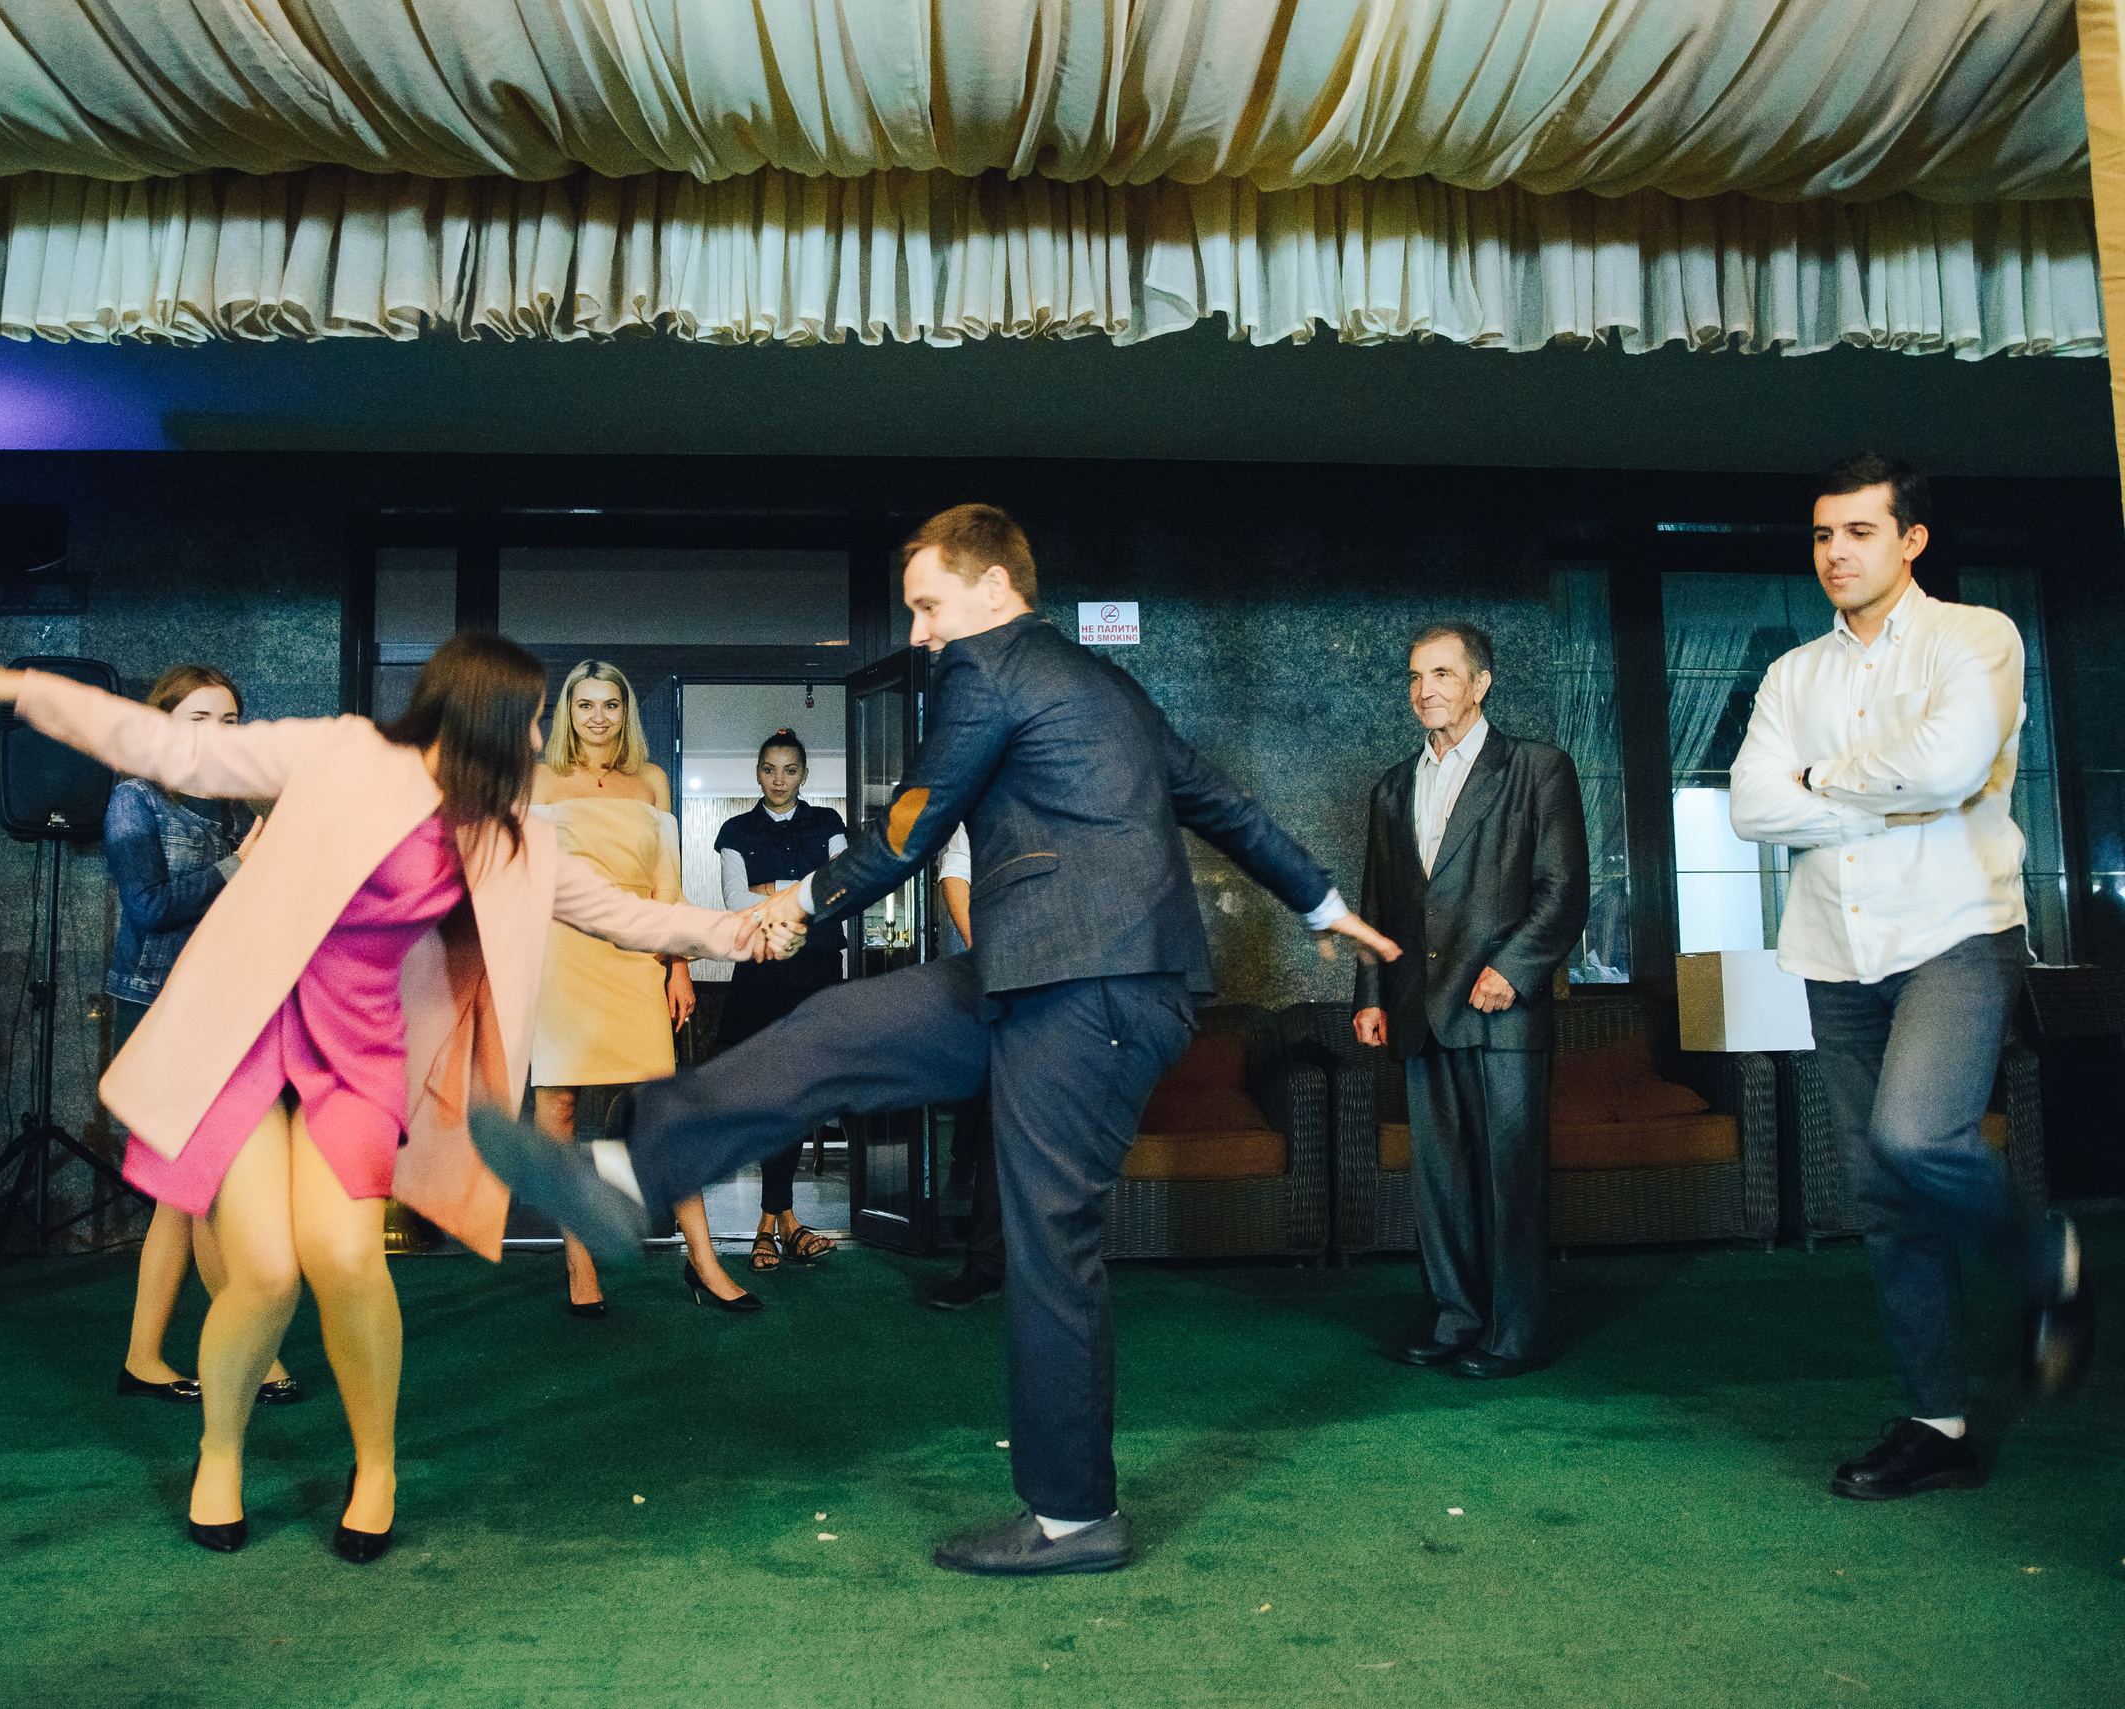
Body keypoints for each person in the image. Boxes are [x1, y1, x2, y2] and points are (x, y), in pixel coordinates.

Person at [472, 504, 1400, 1576]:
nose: (915, 630)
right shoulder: (1106, 688)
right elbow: (1229, 808)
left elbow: (914, 819)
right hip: (1029, 974)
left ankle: (1073, 1513)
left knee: (1048, 1233)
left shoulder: (990, 666)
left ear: (995, 588)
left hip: (1094, 986)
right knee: (837, 1027)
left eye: (925, 603)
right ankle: (631, 1171)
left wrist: (798, 902)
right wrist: (1326, 903)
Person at [0, 634, 772, 1562]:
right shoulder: (340, 752)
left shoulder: (506, 834)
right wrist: (32, 690)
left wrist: (734, 928)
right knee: (261, 1273)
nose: (541, 736)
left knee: (344, 1258)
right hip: (249, 1032)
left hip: (360, 1049)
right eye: (532, 715)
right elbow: (179, 751)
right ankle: (220, 1452)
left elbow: (620, 910)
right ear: (486, 715)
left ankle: (375, 1468)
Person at [1729, 452, 2093, 1501]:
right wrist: (1879, 790)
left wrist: (1821, 781)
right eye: (1820, 535)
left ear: (1910, 540)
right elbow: (1752, 805)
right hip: (1832, 951)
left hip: (1953, 932)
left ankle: (2046, 1263)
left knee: (1916, 1134)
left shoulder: (1974, 636)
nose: (1834, 552)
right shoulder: (1792, 672)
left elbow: (1950, 765)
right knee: (1883, 1194)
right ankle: (1938, 1424)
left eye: (1857, 531)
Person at [1352, 623, 1589, 1379]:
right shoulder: (1392, 787)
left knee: (1510, 1179)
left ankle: (1513, 1334)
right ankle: (1458, 1320)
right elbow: (1378, 904)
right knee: (1444, 1183)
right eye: (1417, 675)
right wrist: (1369, 994)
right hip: (1421, 1008)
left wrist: (1514, 969)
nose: (1427, 689)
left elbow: (1564, 890)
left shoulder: (1538, 769)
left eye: (1444, 674)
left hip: (1501, 1009)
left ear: (1481, 684)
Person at [530, 661, 755, 1316]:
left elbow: (667, 885)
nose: (597, 716)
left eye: (610, 704)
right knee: (560, 1107)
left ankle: (704, 1261)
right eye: (585, 704)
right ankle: (578, 1259)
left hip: (634, 960)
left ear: (626, 713)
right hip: (562, 955)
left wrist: (679, 964)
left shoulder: (651, 781)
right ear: (568, 712)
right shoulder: (541, 780)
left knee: (664, 1111)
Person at [103, 664, 298, 1408]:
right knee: (204, 1188)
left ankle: (148, 1356)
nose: (215, 734)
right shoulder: (134, 796)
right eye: (198, 719)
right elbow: (149, 907)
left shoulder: (231, 805)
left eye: (227, 720)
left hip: (229, 1011)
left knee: (187, 1195)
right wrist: (240, 863)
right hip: (159, 1012)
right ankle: (255, 1351)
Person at [712, 729, 848, 1273]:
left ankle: (774, 1223)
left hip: (814, 977)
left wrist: (770, 889)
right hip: (760, 980)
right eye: (769, 768)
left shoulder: (829, 825)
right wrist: (804, 889)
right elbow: (733, 903)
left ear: (804, 775)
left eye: (790, 770)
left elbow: (840, 895)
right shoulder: (735, 830)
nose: (779, 779)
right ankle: (780, 1221)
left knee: (800, 1096)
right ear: (758, 772)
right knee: (769, 1099)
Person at [928, 824, 1003, 1312]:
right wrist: (989, 952)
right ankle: (985, 1267)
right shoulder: (986, 795)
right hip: (1007, 975)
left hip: (1081, 978)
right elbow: (954, 872)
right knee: (1000, 1124)